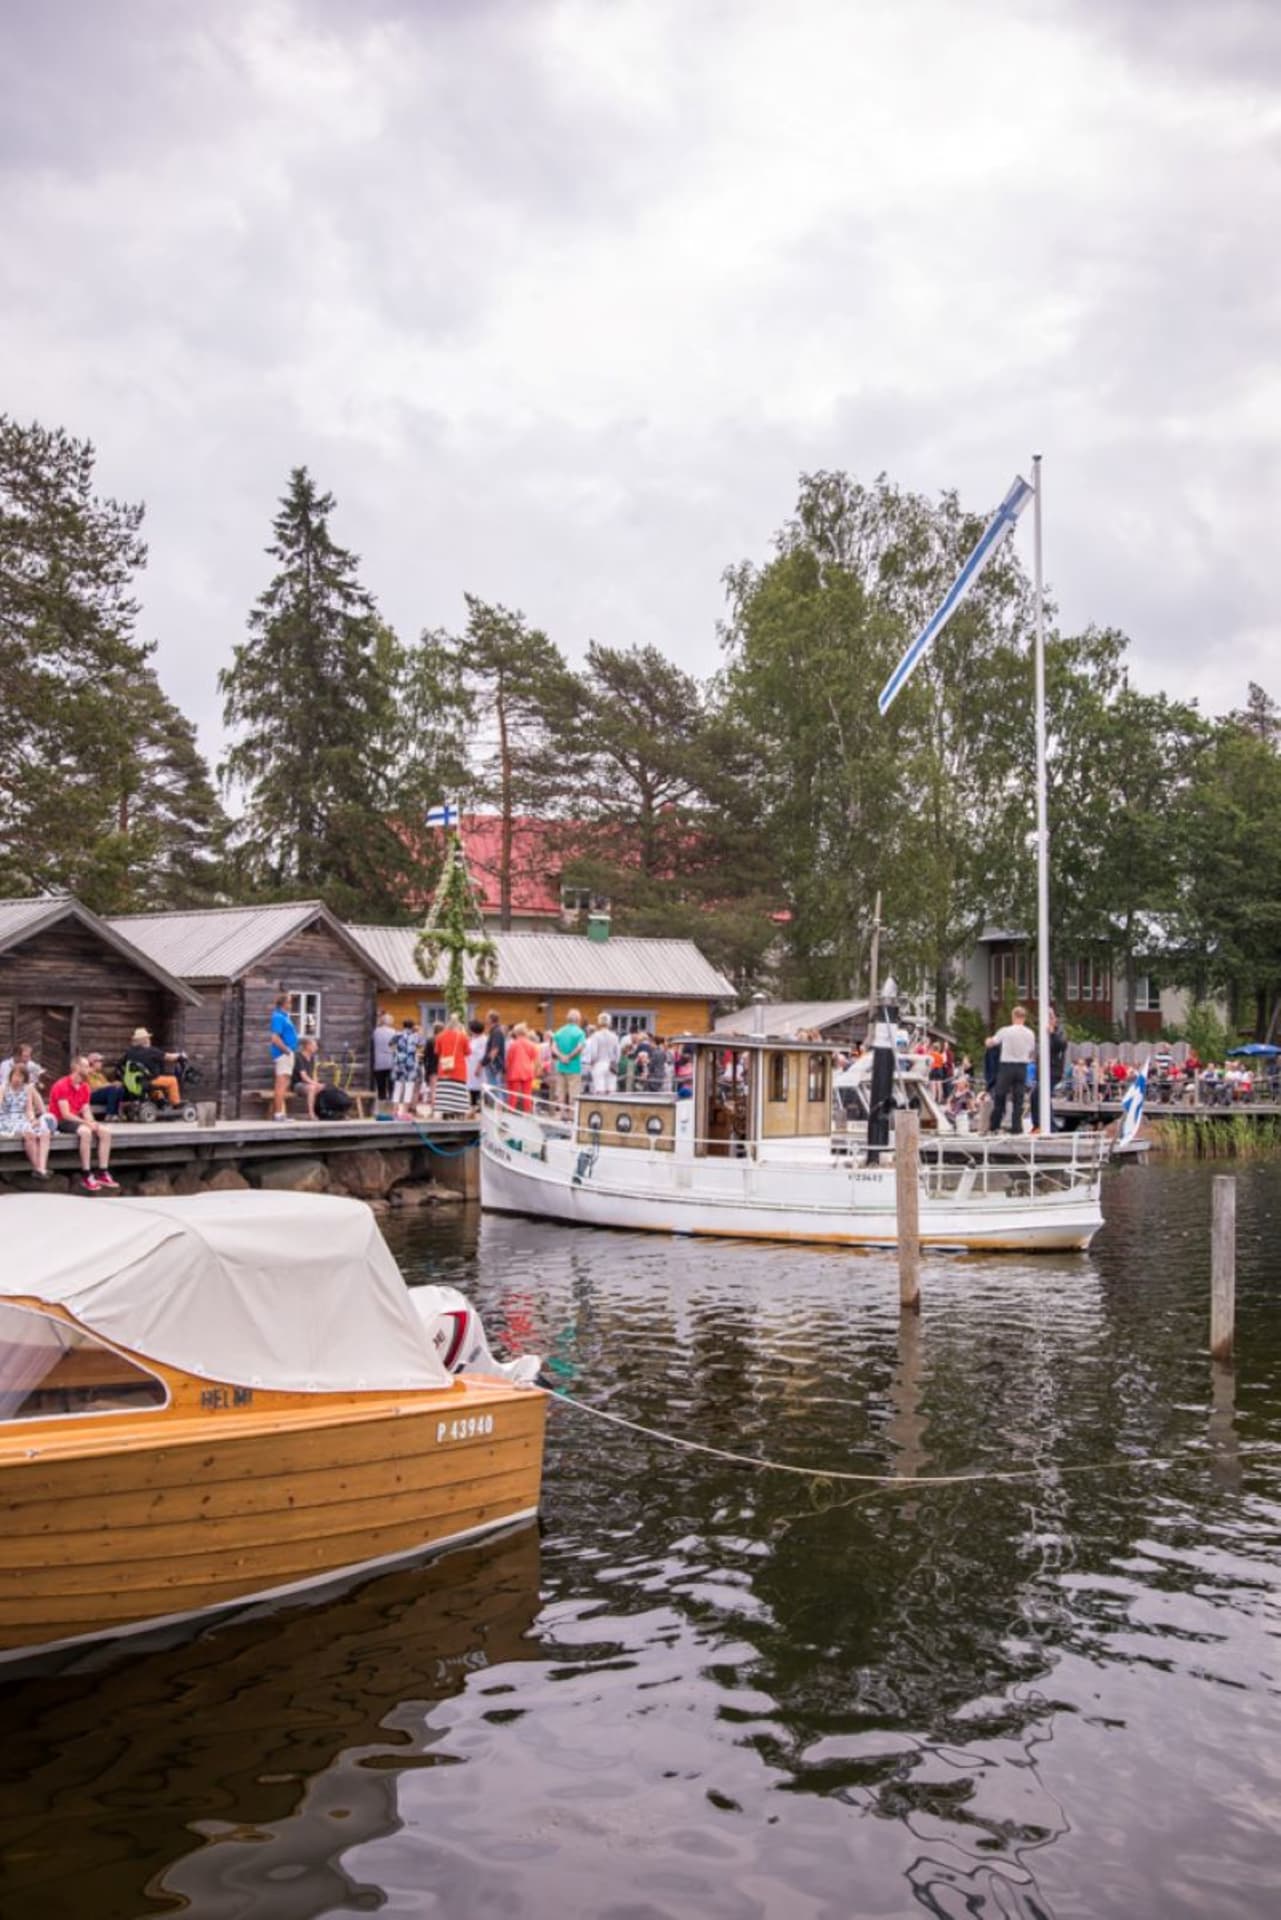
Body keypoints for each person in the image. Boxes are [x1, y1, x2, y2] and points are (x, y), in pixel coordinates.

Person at [48, 1055, 117, 1192]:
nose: (89, 1069)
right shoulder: (61, 1085)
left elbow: (85, 1109)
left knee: (105, 1132)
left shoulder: (85, 1086)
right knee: (85, 1132)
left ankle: (103, 1171)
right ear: (76, 1068)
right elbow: (65, 1114)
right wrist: (86, 1123)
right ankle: (86, 1173)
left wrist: (92, 1122)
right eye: (86, 1066)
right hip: (61, 1120)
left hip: (78, 1119)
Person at [984, 1005, 1037, 1134]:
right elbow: (1031, 1051)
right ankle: (1016, 1127)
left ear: (1013, 1016)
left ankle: (995, 1125)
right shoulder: (1030, 1033)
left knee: (1000, 1096)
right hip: (1022, 1067)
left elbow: (992, 1043)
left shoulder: (1005, 1031)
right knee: (1018, 1099)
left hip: (1007, 1066)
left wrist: (987, 1040)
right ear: (1024, 1018)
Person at [0, 1061, 52, 1179]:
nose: (17, 1079)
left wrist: (33, 1120)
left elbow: (29, 1109)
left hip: (22, 1118)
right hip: (7, 1118)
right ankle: (38, 1168)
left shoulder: (27, 1089)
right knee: (30, 1135)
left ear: (25, 1078)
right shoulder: (3, 1088)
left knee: (45, 1132)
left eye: (21, 1077)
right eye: (16, 1076)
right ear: (11, 1075)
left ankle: (42, 1168)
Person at [124, 1027, 183, 1108]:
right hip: (149, 1080)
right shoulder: (151, 1051)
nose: (149, 1040)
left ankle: (160, 1101)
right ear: (145, 1040)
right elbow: (169, 1057)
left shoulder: (130, 1052)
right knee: (172, 1080)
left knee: (157, 1086)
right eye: (148, 1038)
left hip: (136, 1081)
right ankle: (176, 1104)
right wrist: (180, 1055)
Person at [433, 1015, 472, 1116]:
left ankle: (446, 1112)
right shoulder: (463, 1037)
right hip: (459, 1069)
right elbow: (468, 1052)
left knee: (445, 1091)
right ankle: (459, 1112)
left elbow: (437, 1051)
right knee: (458, 1091)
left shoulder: (440, 1036)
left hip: (444, 1068)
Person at [269, 994, 299, 1121]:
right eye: (289, 1002)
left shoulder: (285, 1017)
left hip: (289, 1053)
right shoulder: (278, 1017)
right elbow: (275, 1037)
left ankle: (281, 1113)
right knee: (281, 1084)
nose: (291, 1005)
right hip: (283, 1054)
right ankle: (278, 1114)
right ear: (283, 1004)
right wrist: (286, 1050)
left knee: (285, 1083)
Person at [553, 1008, 587, 1114]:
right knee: (574, 1092)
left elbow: (553, 1047)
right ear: (578, 1019)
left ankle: (561, 1114)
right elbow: (580, 1047)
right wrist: (569, 1057)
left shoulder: (560, 1031)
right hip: (574, 1066)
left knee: (560, 1091)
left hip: (561, 1066)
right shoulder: (580, 1033)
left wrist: (561, 1056)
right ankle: (572, 1116)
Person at [582, 1013, 620, 1094]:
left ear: (599, 1023)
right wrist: (615, 1062)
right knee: (611, 1091)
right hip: (611, 1065)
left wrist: (592, 1062)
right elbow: (618, 1053)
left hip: (599, 1064)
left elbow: (594, 1053)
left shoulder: (595, 1036)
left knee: (599, 1090)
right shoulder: (614, 1036)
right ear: (609, 1023)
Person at [391, 1019, 421, 1118]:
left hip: (399, 1063)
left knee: (397, 1087)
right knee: (409, 1088)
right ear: (412, 1026)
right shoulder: (416, 1036)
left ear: (403, 1025)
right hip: (411, 1064)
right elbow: (421, 1047)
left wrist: (397, 1053)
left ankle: (395, 1111)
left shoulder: (397, 1035)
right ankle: (404, 1112)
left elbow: (390, 1046)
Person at [505, 1022, 538, 1112]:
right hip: (528, 1070)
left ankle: (510, 1112)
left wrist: (506, 1072)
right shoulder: (531, 1044)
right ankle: (527, 1113)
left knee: (513, 1094)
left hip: (515, 1071)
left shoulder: (513, 1045)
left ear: (516, 1032)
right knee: (527, 1094)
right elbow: (534, 1058)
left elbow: (509, 1060)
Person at [85, 1051, 125, 1120]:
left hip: (102, 1094)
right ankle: (110, 1114)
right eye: (100, 1061)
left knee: (119, 1089)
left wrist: (114, 1085)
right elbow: (93, 1087)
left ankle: (117, 1113)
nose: (102, 1063)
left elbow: (105, 1085)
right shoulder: (87, 1073)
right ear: (92, 1062)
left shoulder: (100, 1075)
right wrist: (111, 1085)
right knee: (112, 1089)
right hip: (91, 1095)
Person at [371, 1012, 396, 1104]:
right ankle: (390, 1101)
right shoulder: (393, 1032)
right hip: (390, 1060)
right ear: (389, 1022)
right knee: (391, 1084)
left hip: (378, 1061)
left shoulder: (376, 1031)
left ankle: (381, 1101)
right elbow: (394, 1046)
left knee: (380, 1084)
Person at [481, 1011, 507, 1092]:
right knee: (494, 1087)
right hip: (495, 1063)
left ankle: (498, 1104)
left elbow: (495, 1050)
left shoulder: (496, 1031)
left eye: (487, 1018)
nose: (485, 1019)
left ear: (491, 1019)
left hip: (494, 1064)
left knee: (494, 1087)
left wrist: (487, 1062)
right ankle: (497, 1104)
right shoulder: (495, 1031)